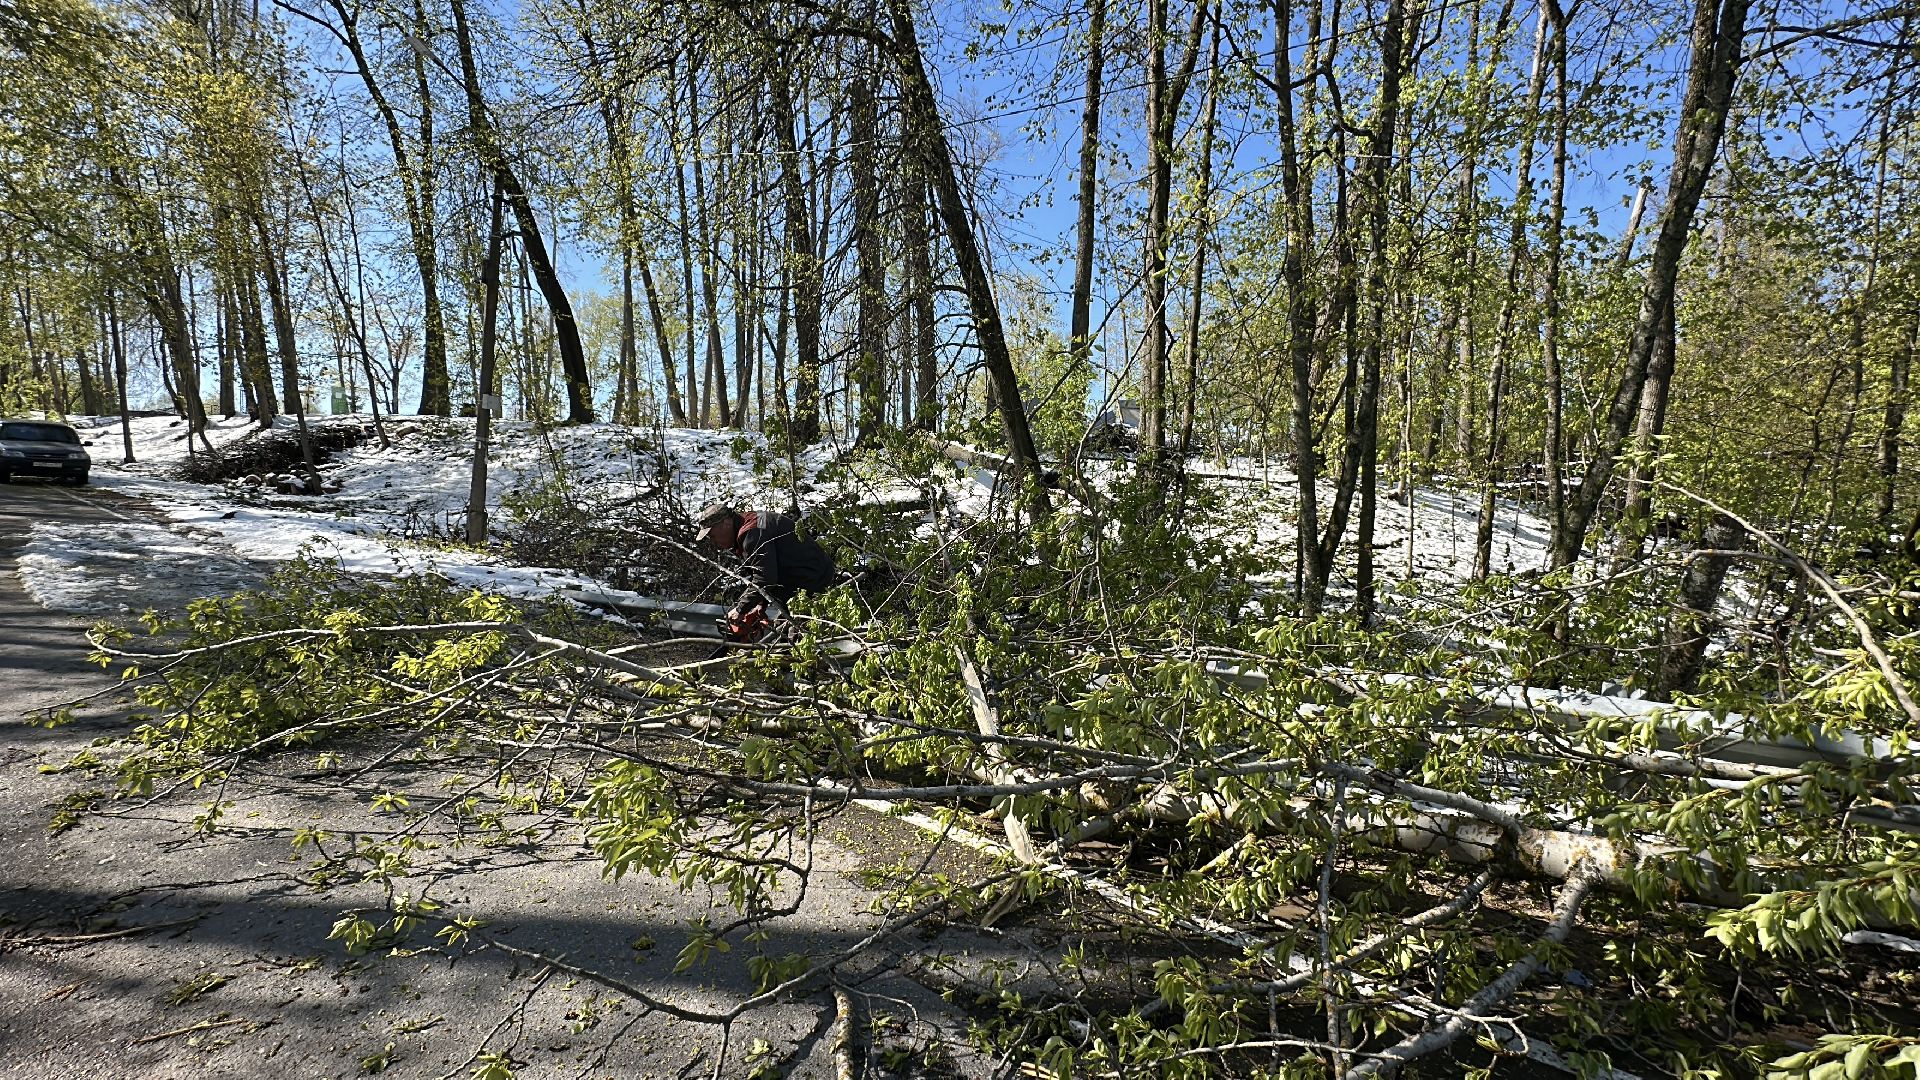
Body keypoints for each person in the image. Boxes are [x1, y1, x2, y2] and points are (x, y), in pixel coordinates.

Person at [694, 502, 836, 639]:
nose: (713, 541)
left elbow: (765, 578)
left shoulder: (752, 533)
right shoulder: (750, 522)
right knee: (783, 630)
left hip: (810, 579)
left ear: (726, 523)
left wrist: (740, 609)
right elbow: (765, 569)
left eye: (712, 535)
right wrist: (760, 603)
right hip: (800, 577)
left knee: (798, 638)